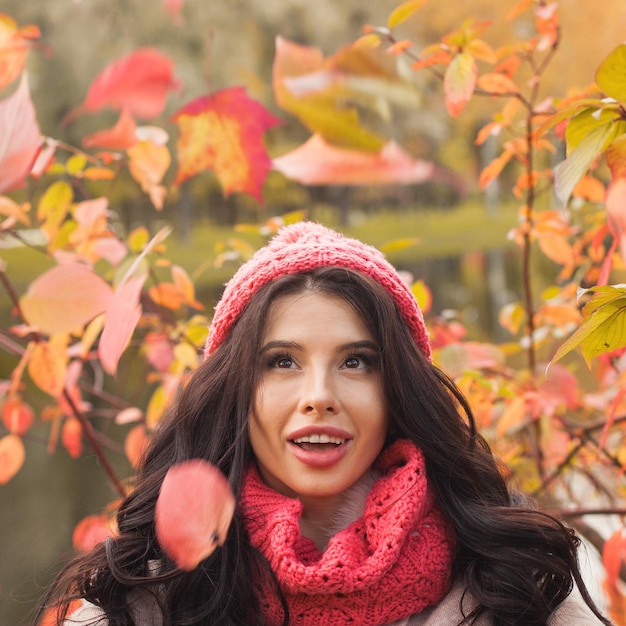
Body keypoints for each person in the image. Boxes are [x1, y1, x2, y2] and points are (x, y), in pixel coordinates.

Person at [36, 222, 612, 626]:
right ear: (237, 391)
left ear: (397, 391)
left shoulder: (516, 581)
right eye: (282, 362)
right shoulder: (146, 597)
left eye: (355, 362)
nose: (319, 397)